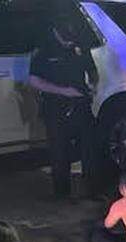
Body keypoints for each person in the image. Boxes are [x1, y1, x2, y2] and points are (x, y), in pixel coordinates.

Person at [28, 15, 99, 199]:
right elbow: (34, 81)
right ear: (57, 32)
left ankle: (92, 190)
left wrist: (93, 85)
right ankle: (62, 194)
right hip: (55, 107)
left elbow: (92, 71)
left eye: (72, 40)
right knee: (60, 152)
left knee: (90, 149)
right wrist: (63, 91)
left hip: (81, 104)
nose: (69, 43)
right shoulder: (44, 49)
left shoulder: (79, 46)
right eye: (66, 40)